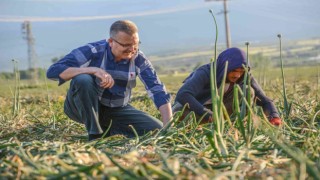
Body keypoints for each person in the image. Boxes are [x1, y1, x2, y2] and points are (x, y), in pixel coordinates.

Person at [47, 20, 172, 141]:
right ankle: (95, 135)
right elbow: (53, 71)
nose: (132, 49)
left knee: (157, 130)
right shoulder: (93, 51)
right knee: (83, 79)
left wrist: (168, 128)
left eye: (136, 44)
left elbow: (157, 90)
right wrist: (92, 70)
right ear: (111, 42)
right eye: (126, 45)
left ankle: (109, 129)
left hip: (116, 110)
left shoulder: (138, 58)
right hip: (81, 107)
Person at [172, 47, 282, 126]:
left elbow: (264, 100)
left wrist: (274, 116)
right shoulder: (206, 72)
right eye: (233, 70)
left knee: (249, 91)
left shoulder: (244, 76)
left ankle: (230, 125)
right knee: (179, 115)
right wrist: (207, 114)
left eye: (241, 71)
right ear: (225, 66)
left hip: (217, 113)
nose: (237, 75)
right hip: (194, 110)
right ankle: (203, 125)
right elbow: (183, 94)